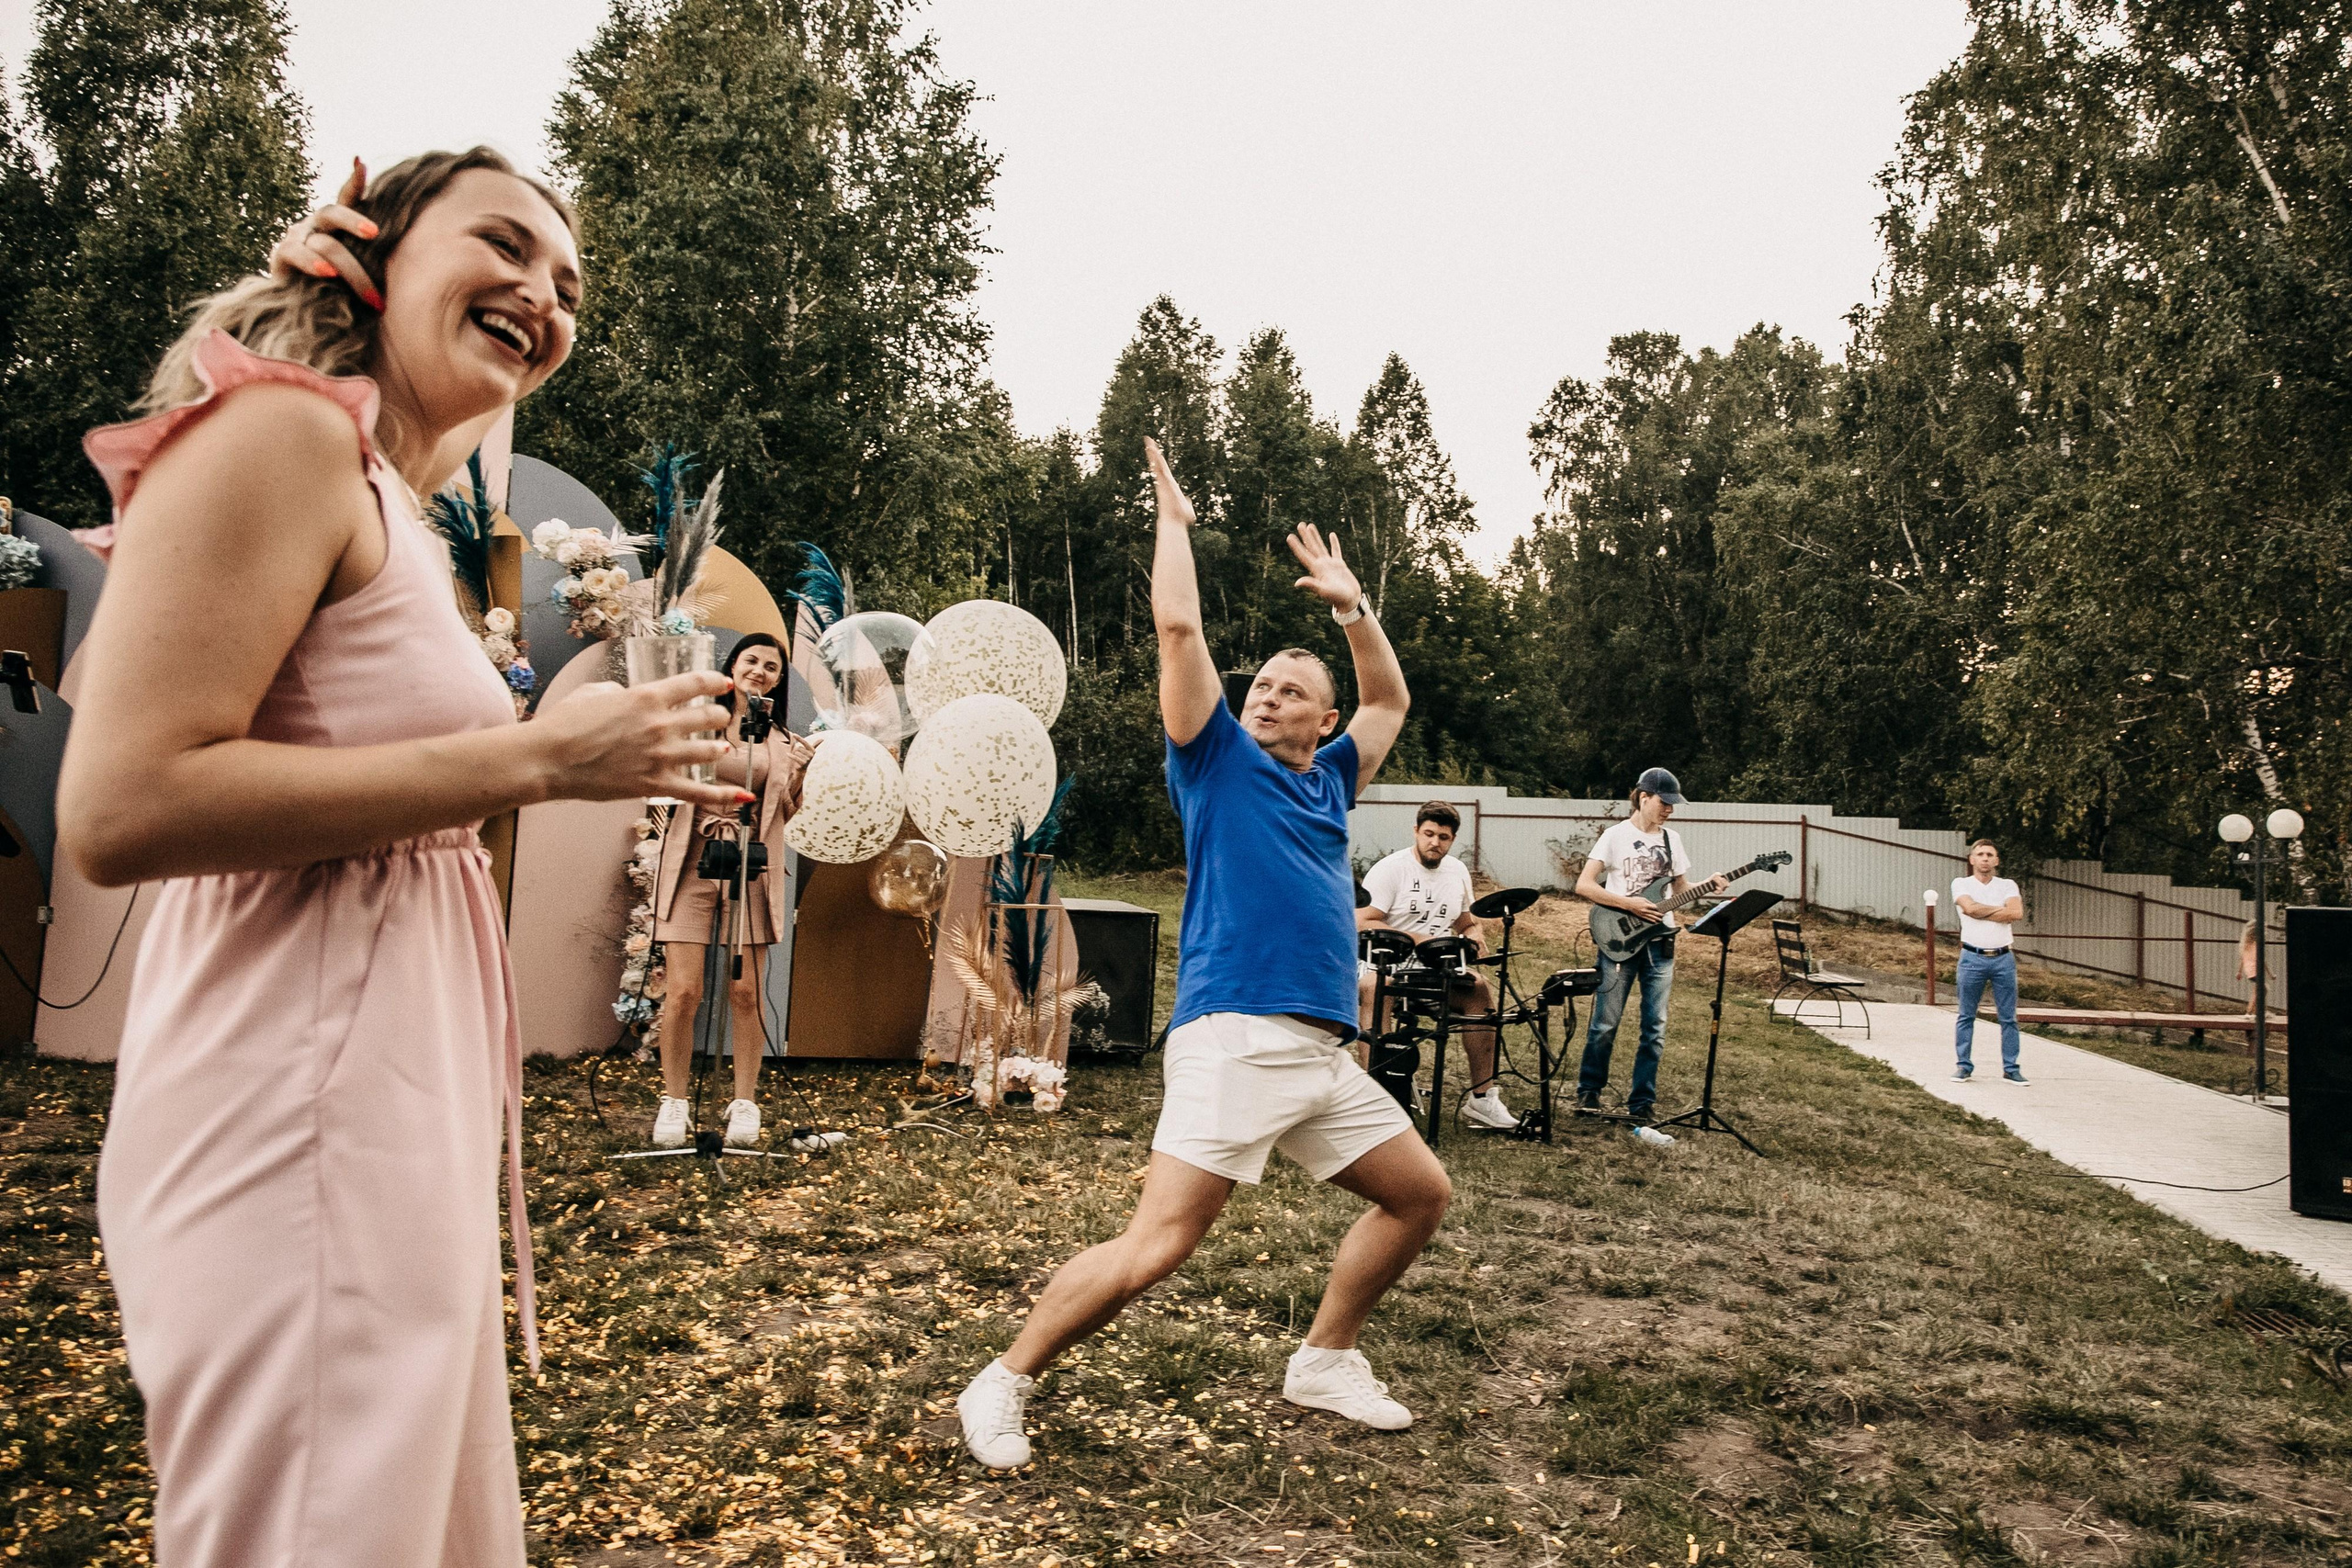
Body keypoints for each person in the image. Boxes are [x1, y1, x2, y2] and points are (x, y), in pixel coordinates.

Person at [57, 149, 746, 1568]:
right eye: (505, 243)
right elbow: (122, 803)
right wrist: (540, 762)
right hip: (292, 1108)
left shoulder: (386, 500)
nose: (545, 295)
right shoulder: (283, 436)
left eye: (569, 285)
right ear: (376, 253)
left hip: (387, 1107)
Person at [955, 438, 1450, 1470]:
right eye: (1259, 684)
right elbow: (1178, 627)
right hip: (1234, 1035)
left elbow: (1390, 701)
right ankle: (1002, 1380)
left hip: (1318, 1053)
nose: (1265, 696)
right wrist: (1172, 526)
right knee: (1158, 1247)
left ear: (1322, 719)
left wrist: (1354, 612)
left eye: (1289, 690)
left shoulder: (1332, 778)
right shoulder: (1214, 757)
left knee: (1419, 1194)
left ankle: (1324, 1359)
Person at [647, 631, 812, 1149]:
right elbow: (663, 780)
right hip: (692, 860)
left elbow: (785, 811)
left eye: (771, 667)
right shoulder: (698, 721)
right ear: (733, 666)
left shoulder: (784, 743)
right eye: (751, 661)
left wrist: (799, 776)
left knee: (746, 992)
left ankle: (744, 1101)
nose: (760, 671)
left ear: (778, 681)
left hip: (750, 864)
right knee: (683, 991)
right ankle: (674, 1101)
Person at [1573, 768, 1724, 1145]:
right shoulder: (1615, 836)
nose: (1669, 810)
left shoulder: (1673, 840)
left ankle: (1642, 1103)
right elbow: (1584, 885)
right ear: (1643, 797)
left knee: (1654, 1029)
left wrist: (1711, 885)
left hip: (1660, 944)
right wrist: (1629, 904)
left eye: (1673, 805)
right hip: (1619, 940)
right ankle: (1588, 1093)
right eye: (1664, 803)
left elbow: (1682, 890)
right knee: (1605, 1024)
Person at [1358, 800, 1515, 1130]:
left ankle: (1482, 1098)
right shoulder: (1391, 869)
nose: (1435, 842)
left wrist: (1474, 934)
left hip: (1436, 966)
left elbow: (1465, 921)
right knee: (1377, 988)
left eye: (1443, 837)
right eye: (1428, 834)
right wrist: (1417, 938)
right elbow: (1362, 920)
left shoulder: (1456, 871)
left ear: (1452, 839)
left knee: (1478, 989)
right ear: (1416, 831)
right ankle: (1377, 1095)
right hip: (1387, 960)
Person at [1951, 840, 2027, 1083]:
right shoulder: (1961, 883)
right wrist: (1999, 911)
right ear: (1972, 859)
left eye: (1990, 854)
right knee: (1966, 1015)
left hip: (2003, 958)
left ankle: (2011, 1068)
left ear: (1997, 860)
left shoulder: (2007, 885)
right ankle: (1964, 1065)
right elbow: (1969, 909)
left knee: (2008, 1017)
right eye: (1980, 854)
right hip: (1972, 957)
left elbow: (2016, 913)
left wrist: (1980, 910)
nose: (1985, 858)